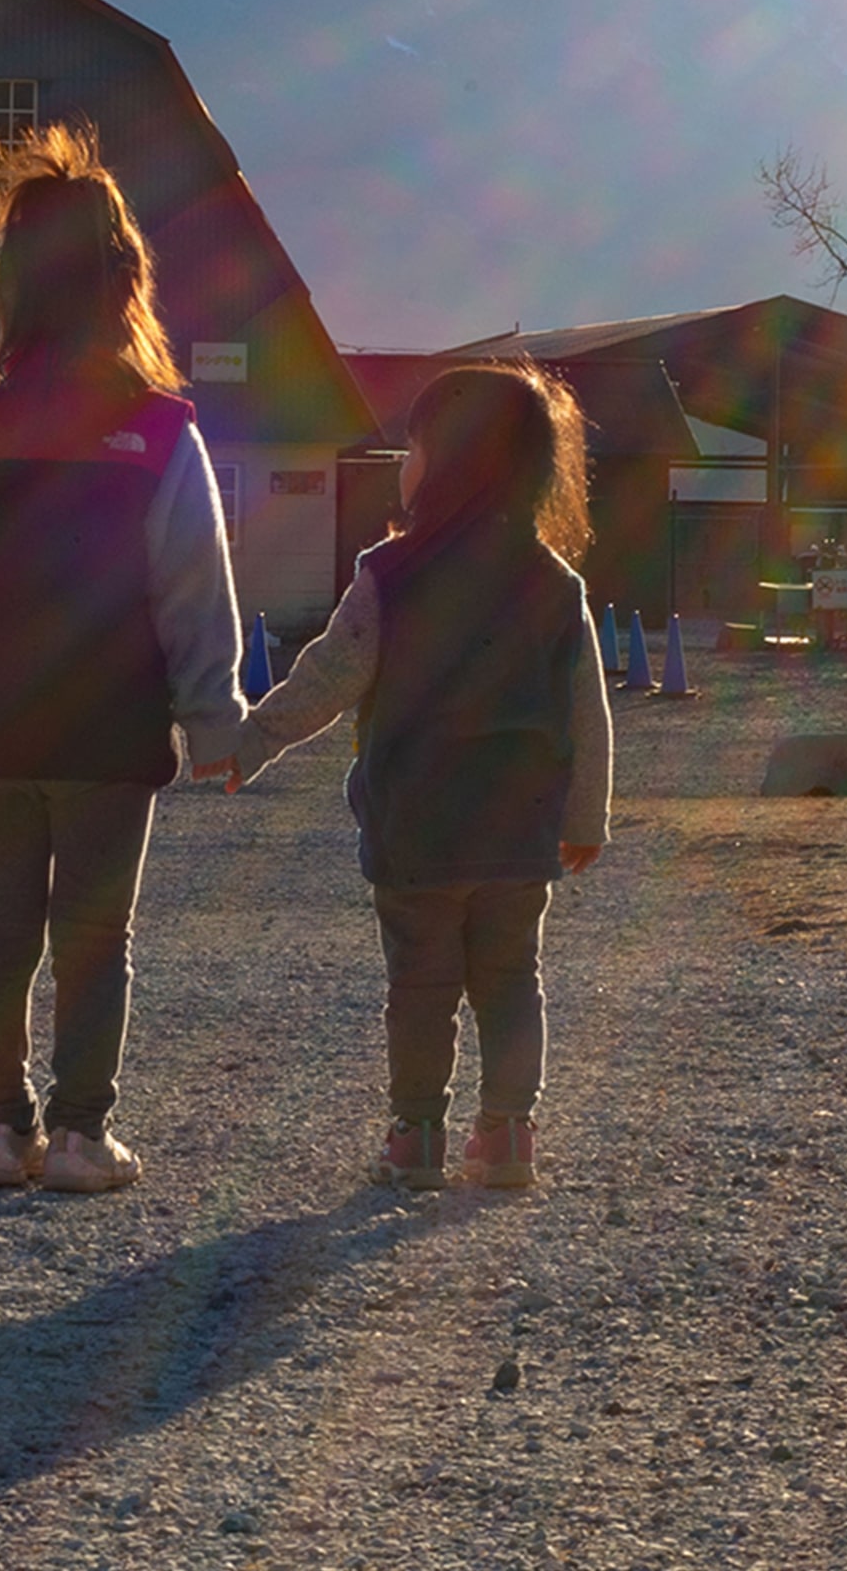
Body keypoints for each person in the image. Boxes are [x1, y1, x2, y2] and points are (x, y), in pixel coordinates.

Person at [0, 128, 249, 1197]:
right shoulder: (159, 431)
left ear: (9, 286)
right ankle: (77, 1134)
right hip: (108, 731)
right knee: (93, 933)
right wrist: (217, 724)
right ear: (125, 280)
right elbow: (194, 592)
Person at [241, 361, 614, 1192]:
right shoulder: (557, 585)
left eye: (410, 448)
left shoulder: (390, 573)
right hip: (521, 832)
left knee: (421, 985)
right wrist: (587, 815)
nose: (401, 465)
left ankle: (416, 1137)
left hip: (417, 826)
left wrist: (252, 738)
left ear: (442, 461)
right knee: (514, 979)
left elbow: (331, 677)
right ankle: (509, 1136)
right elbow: (589, 713)